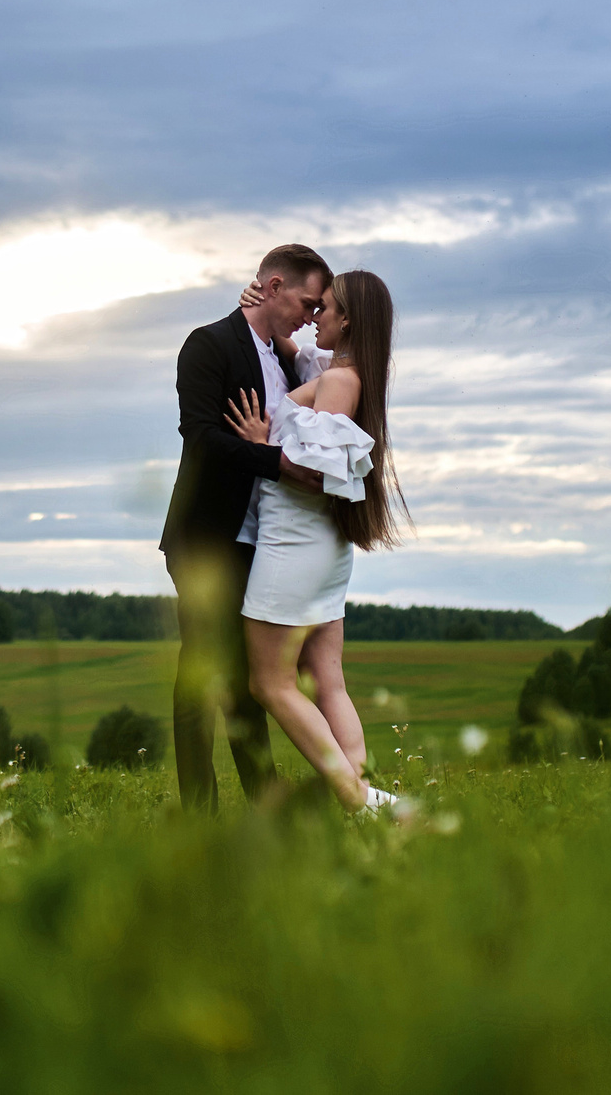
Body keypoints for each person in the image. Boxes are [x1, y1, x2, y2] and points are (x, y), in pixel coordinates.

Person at [157, 243, 334, 811]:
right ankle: (199, 814)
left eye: (318, 310)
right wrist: (276, 463)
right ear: (274, 286)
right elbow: (201, 435)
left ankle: (263, 808)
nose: (310, 318)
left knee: (250, 679)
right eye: (306, 303)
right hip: (206, 539)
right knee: (203, 668)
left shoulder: (286, 360)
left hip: (264, 542)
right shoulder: (207, 344)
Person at [224, 267, 405, 814]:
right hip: (320, 546)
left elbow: (318, 466)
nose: (313, 317)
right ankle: (362, 798)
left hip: (296, 542)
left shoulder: (340, 382)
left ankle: (361, 804)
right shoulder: (337, 370)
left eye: (322, 308)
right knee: (326, 678)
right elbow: (287, 349)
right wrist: (257, 305)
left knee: (270, 683)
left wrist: (263, 443)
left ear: (347, 319)